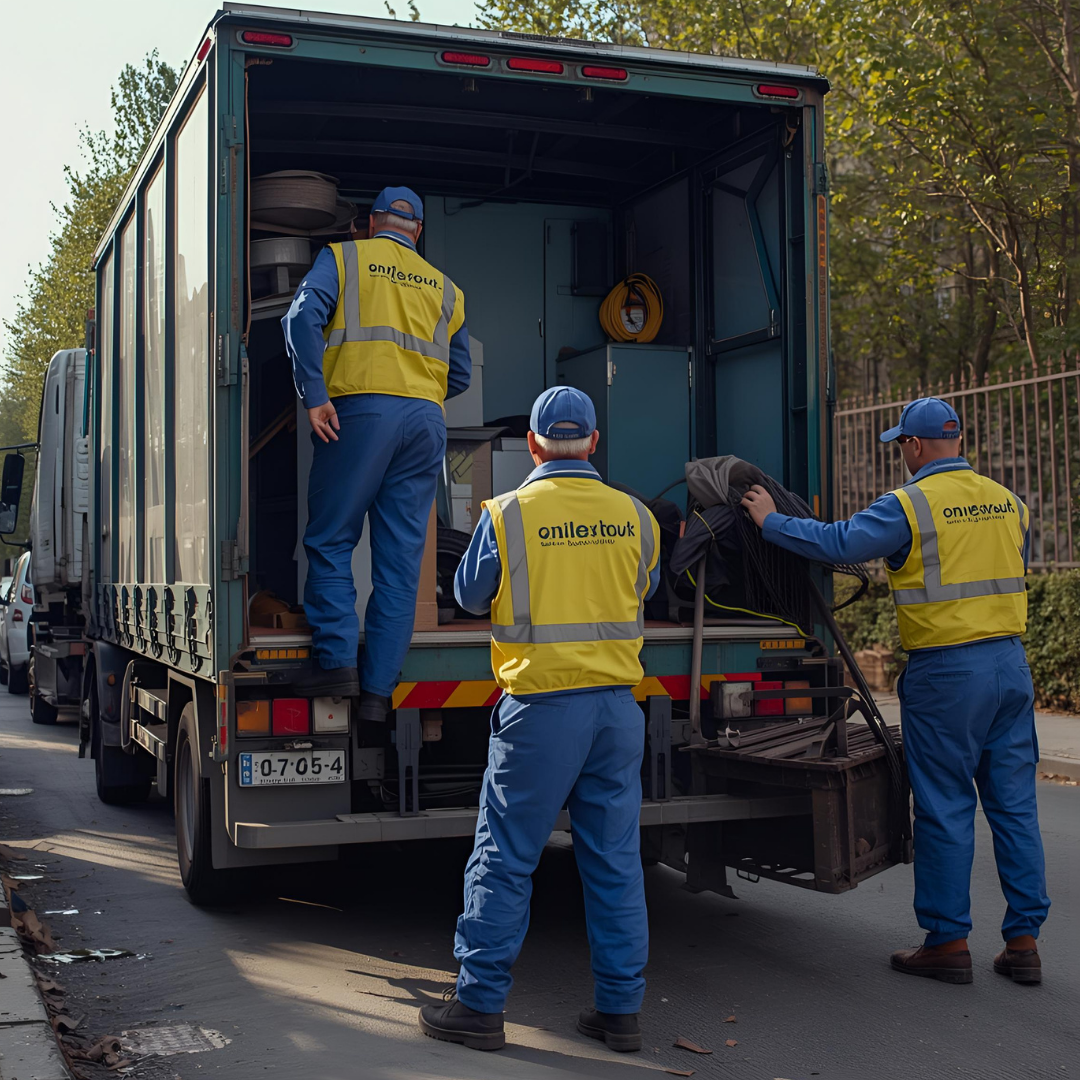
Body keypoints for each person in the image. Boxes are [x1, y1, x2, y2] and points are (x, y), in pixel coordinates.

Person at [741, 397, 1050, 986]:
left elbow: (837, 545)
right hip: (1011, 667)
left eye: (899, 446)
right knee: (1014, 807)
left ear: (912, 446)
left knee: (945, 806)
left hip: (947, 675)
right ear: (957, 441)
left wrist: (768, 520)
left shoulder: (910, 503)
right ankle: (1024, 941)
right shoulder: (1009, 503)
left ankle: (948, 941)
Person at [418, 386, 661, 1051]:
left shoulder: (508, 515)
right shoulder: (637, 516)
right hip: (616, 712)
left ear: (530, 445)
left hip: (542, 712)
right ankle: (619, 1013)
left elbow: (467, 596)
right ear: (594, 443)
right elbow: (646, 587)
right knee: (614, 862)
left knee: (505, 856)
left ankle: (479, 1004)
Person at [282, 186, 470, 717]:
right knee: (400, 563)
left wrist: (315, 397)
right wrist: (418, 389)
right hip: (425, 423)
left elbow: (300, 321)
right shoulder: (446, 289)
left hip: (360, 415)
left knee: (332, 539)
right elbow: (457, 374)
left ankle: (336, 661)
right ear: (418, 232)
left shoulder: (344, 257)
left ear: (369, 223)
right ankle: (378, 692)